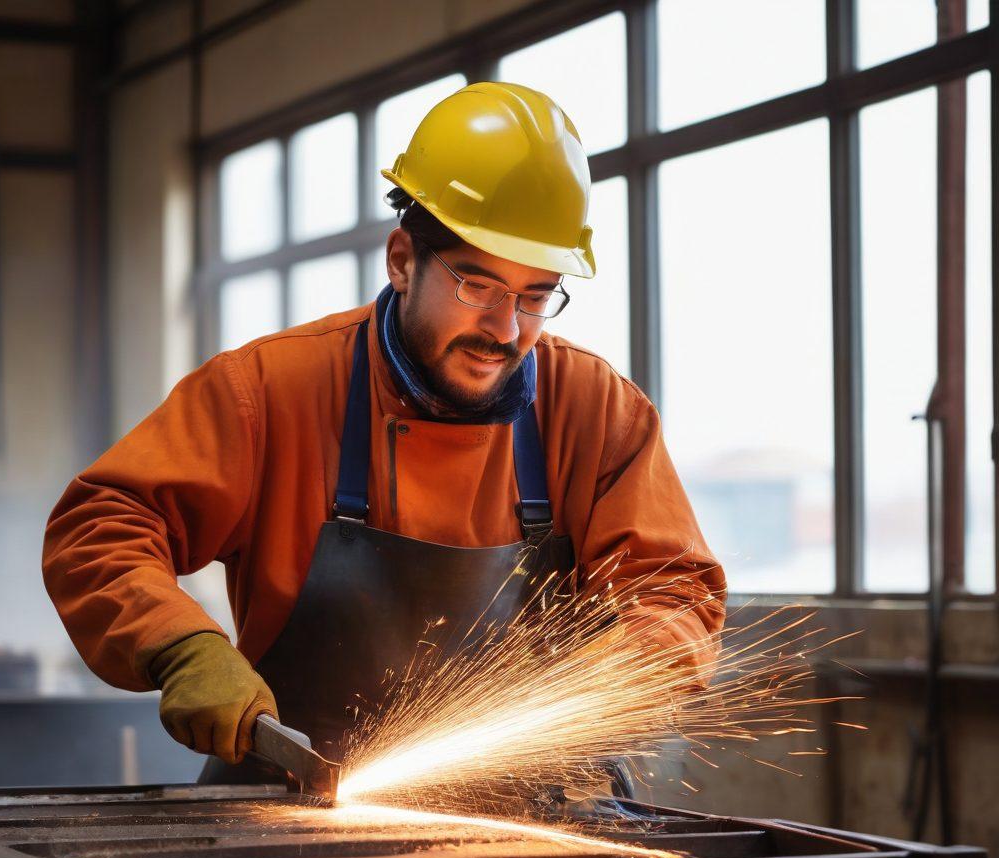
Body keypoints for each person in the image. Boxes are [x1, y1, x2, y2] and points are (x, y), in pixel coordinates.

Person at [42, 82, 727, 786]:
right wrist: (179, 643)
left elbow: (674, 591)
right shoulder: (271, 391)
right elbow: (101, 524)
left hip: (534, 817)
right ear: (403, 259)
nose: (504, 329)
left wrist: (613, 676)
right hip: (291, 817)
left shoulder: (595, 410)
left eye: (533, 296)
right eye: (478, 286)